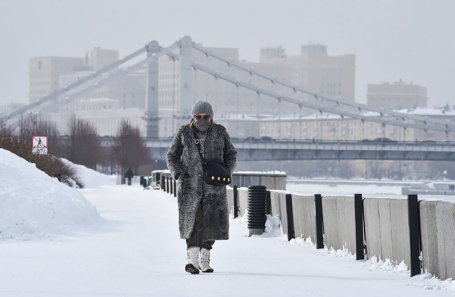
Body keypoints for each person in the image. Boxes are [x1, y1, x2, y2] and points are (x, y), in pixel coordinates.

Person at [166, 100, 237, 274]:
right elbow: (171, 156)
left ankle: (204, 260)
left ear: (211, 117)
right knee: (193, 224)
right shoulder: (184, 132)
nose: (202, 120)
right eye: (198, 116)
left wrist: (227, 172)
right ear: (193, 117)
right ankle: (192, 261)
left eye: (206, 116)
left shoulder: (220, 132)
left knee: (211, 225)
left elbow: (231, 154)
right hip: (190, 188)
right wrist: (179, 174)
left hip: (214, 188)